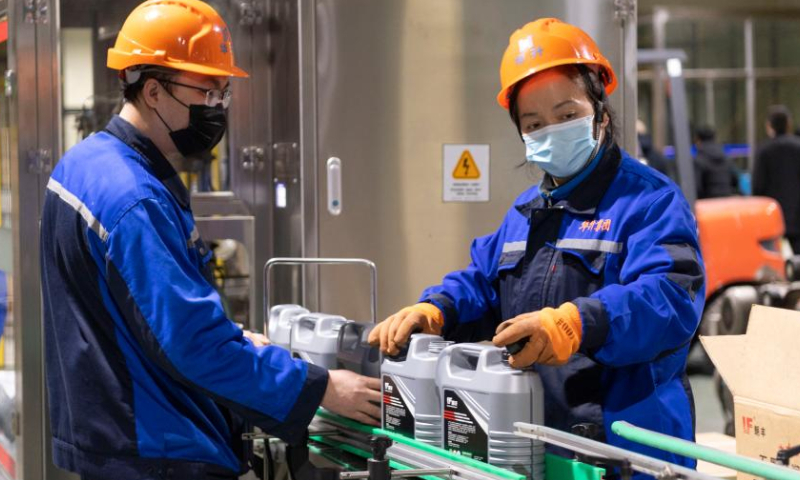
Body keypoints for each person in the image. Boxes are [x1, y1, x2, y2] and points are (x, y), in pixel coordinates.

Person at [40, 1, 380, 479]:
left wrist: (233, 339)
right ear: (153, 91)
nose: (216, 107)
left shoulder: (83, 166)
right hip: (157, 449)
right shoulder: (134, 198)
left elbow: (130, 312)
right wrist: (321, 388)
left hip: (113, 435)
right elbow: (191, 346)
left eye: (223, 92)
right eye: (205, 90)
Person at [369, 18, 704, 475]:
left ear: (600, 114)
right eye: (535, 123)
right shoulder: (528, 210)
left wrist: (578, 323)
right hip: (542, 443)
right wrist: (437, 309)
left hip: (628, 451)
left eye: (567, 116)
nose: (552, 131)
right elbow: (486, 282)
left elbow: (670, 299)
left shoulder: (650, 200)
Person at [753, 105, 800, 253]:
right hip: (798, 214)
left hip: (772, 214)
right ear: (788, 124)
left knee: (774, 260)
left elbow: (758, 185)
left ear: (769, 125)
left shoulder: (764, 150)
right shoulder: (798, 146)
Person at [693, 125, 739, 199]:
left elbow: (697, 188)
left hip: (707, 204)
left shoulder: (698, 159)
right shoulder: (725, 157)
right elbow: (735, 180)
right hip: (726, 202)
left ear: (698, 140)